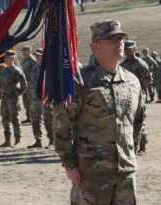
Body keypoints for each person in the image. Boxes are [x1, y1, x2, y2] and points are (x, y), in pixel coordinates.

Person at [54, 20, 144, 204]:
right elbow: (61, 125)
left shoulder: (132, 82)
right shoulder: (80, 82)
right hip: (91, 175)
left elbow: (137, 121)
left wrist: (131, 153)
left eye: (121, 38)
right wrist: (69, 165)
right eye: (112, 39)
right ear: (95, 46)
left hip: (125, 173)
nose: (119, 43)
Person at [121, 40, 151, 154]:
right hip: (127, 96)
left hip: (138, 96)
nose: (127, 51)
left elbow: (147, 79)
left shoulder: (140, 63)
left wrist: (140, 90)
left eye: (129, 49)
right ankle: (132, 145)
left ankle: (141, 146)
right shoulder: (123, 64)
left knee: (139, 120)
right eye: (125, 49)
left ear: (134, 49)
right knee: (130, 120)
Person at [0, 51, 27, 148]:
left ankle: (18, 140)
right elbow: (0, 84)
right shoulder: (3, 71)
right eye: (5, 58)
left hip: (13, 98)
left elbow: (24, 85)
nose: (5, 60)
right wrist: (0, 95)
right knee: (4, 118)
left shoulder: (17, 71)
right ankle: (7, 141)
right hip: (4, 98)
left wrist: (18, 93)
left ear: (13, 59)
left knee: (14, 118)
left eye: (8, 58)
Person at [26, 48, 55, 149]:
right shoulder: (34, 68)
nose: (37, 57)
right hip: (34, 100)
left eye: (39, 55)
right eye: (36, 56)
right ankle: (38, 140)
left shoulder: (49, 69)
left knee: (48, 120)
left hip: (45, 99)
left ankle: (52, 140)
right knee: (35, 120)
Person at [20, 45, 37, 123]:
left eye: (25, 50)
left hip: (32, 84)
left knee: (32, 101)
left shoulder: (33, 61)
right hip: (25, 84)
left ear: (29, 51)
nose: (23, 52)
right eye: (23, 51)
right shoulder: (23, 61)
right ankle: (28, 117)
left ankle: (34, 117)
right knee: (26, 101)